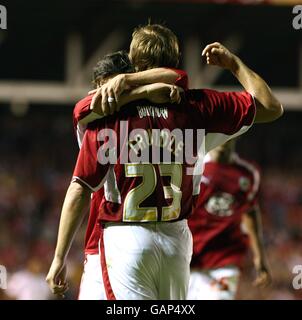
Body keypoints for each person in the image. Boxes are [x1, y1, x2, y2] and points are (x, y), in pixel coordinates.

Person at [46, 24, 283, 300]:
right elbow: (271, 106)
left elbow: (79, 188)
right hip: (176, 238)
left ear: (134, 66)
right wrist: (234, 64)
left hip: (126, 236)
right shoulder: (200, 108)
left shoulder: (108, 114)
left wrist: (59, 257)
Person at [73, 50, 185, 300]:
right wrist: (143, 90)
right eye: (103, 88)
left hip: (138, 236)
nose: (109, 94)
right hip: (101, 239)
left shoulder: (140, 119)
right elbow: (80, 109)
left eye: (114, 85)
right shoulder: (94, 121)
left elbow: (179, 77)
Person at [187, 139, 271, 300]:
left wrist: (259, 256)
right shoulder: (191, 168)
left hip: (225, 259)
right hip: (189, 259)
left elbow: (250, 211)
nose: (223, 137)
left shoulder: (248, 173)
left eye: (228, 132)